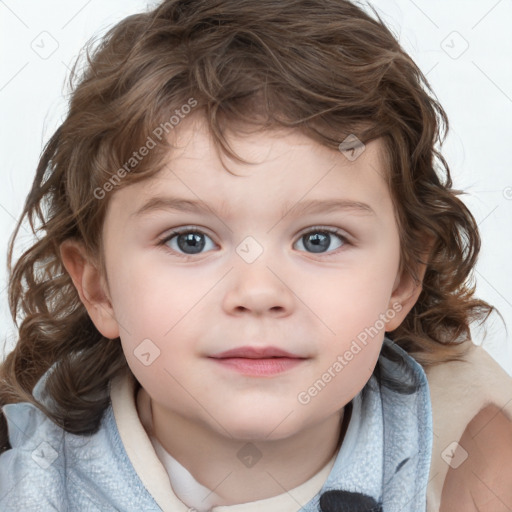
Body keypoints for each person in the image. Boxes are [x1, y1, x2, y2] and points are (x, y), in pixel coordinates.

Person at [1, 1, 511, 511]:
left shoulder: (472, 467)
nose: (258, 293)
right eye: (190, 240)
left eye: (319, 239)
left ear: (401, 282)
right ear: (99, 288)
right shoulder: (26, 484)